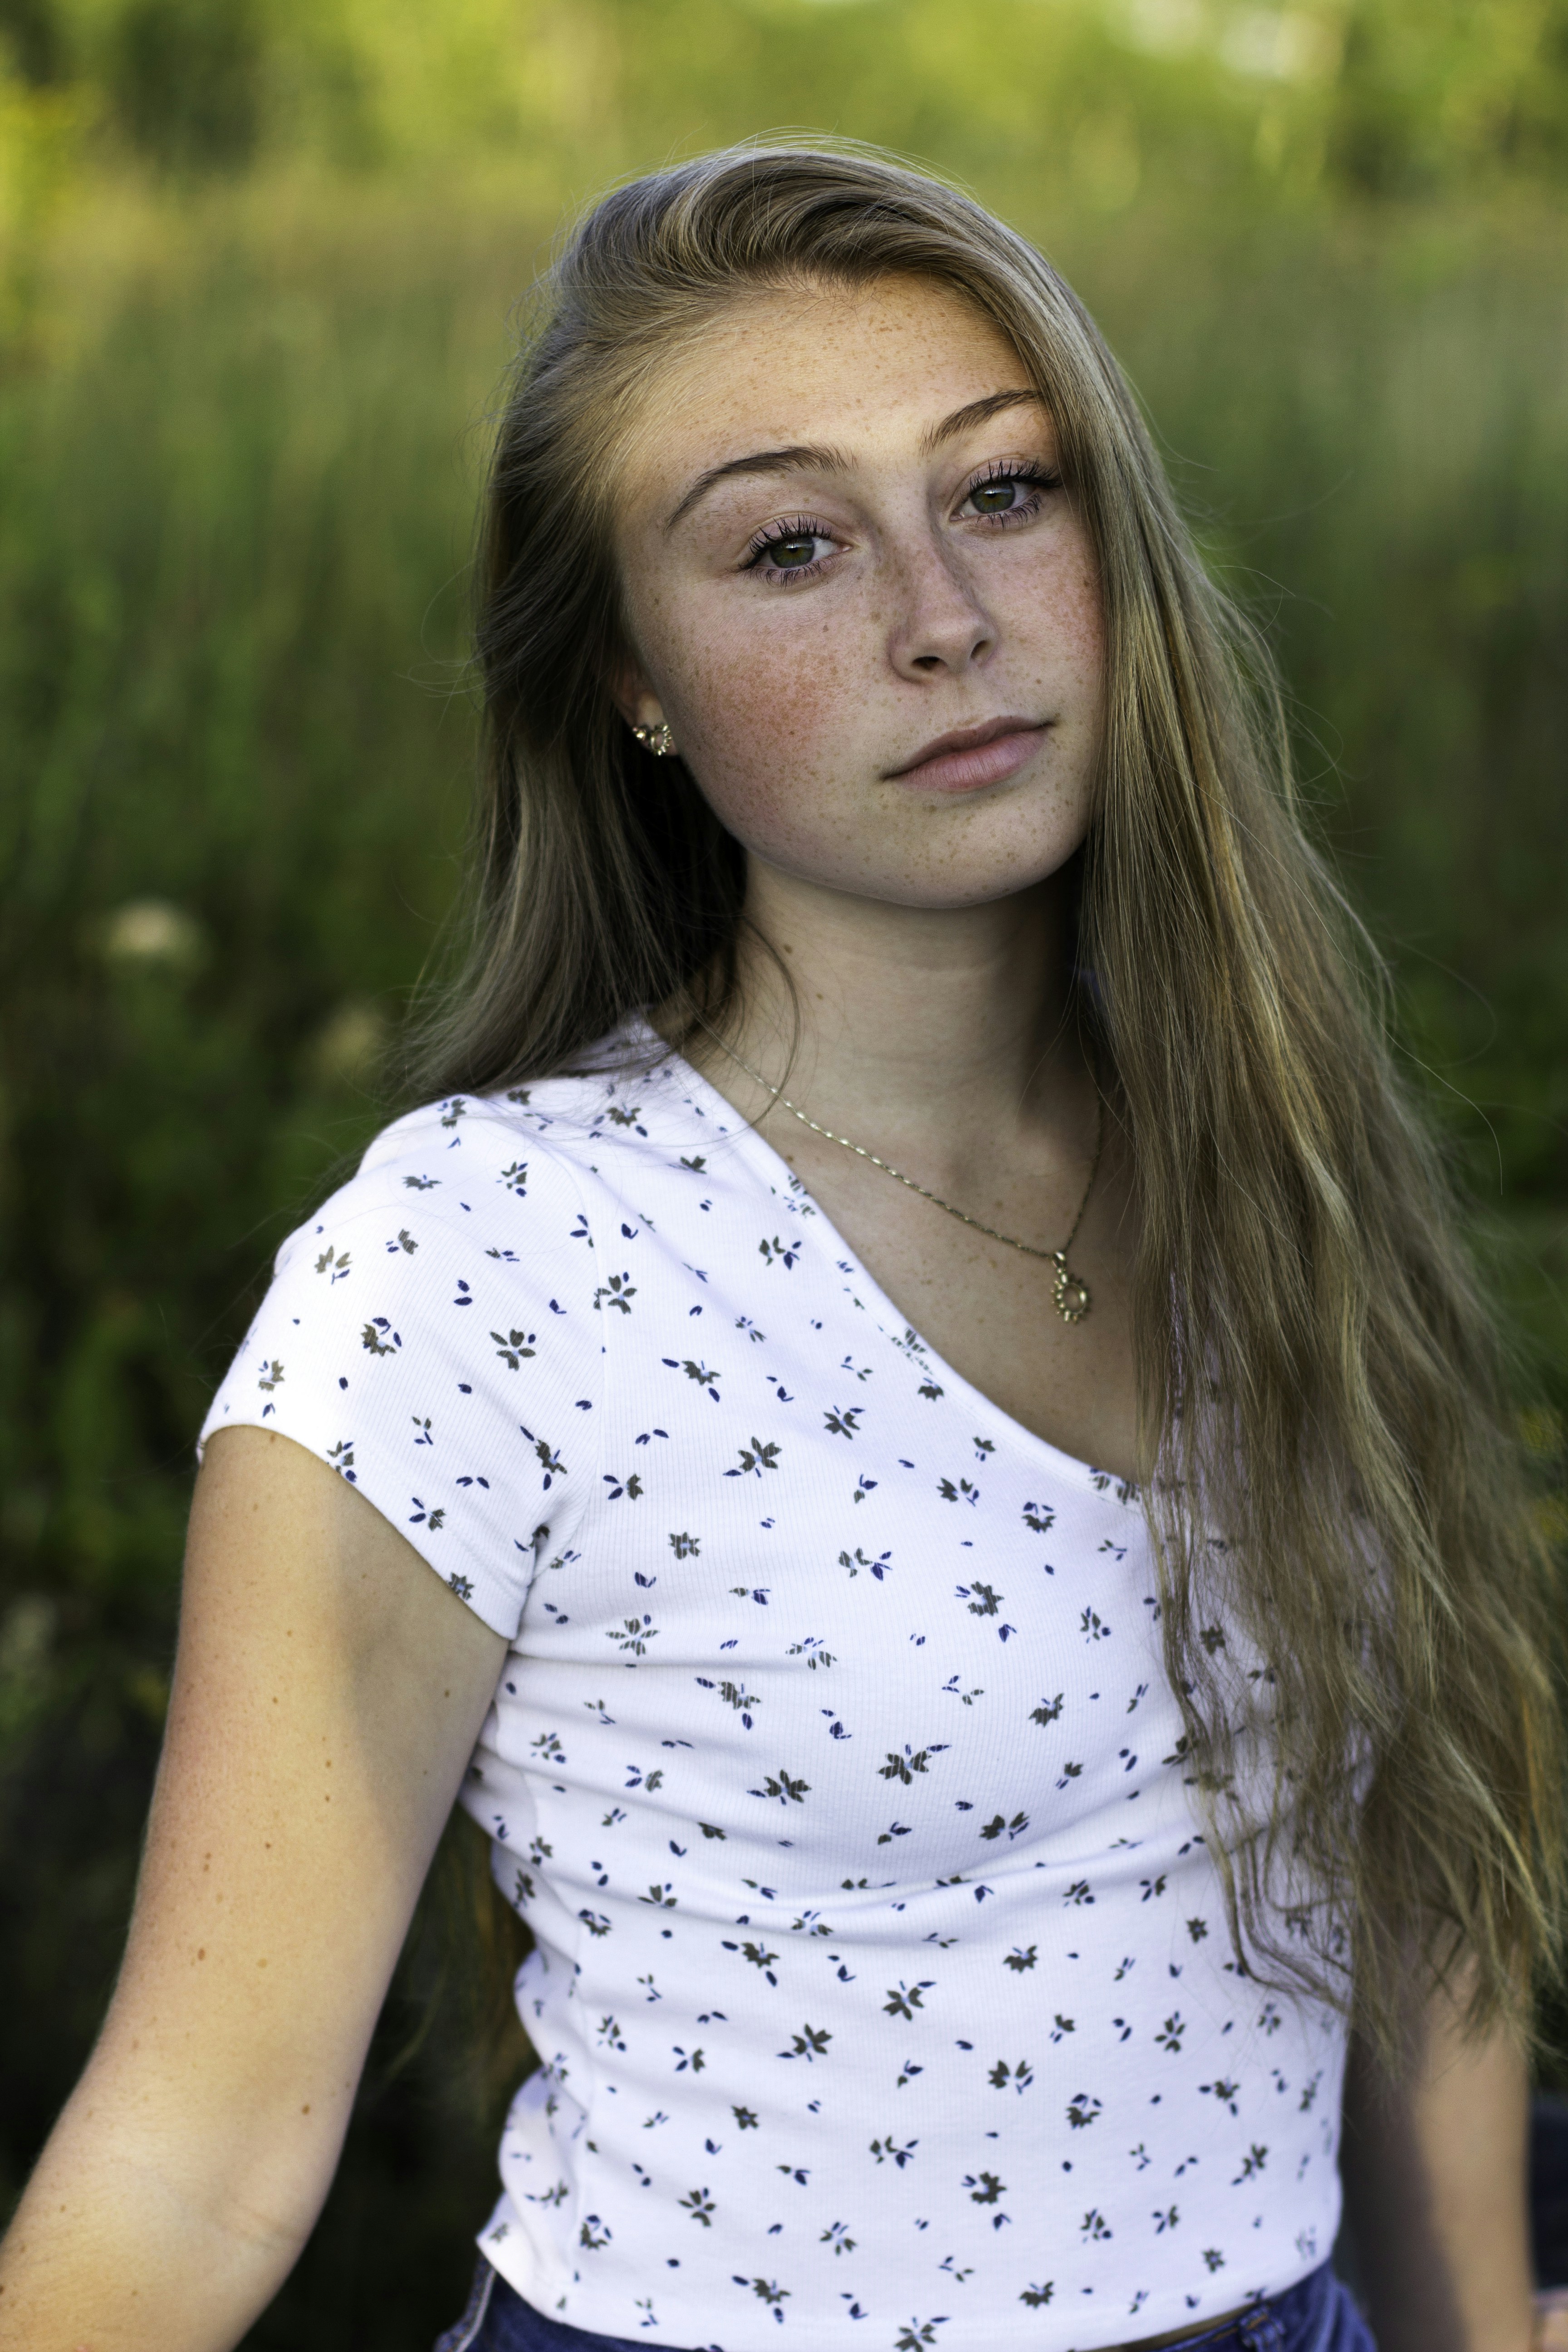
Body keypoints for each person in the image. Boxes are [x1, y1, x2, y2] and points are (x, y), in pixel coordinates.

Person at [0, 142, 1563, 2352]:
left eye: (1005, 490)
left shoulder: (1274, 1152)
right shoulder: (477, 1270)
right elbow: (196, 2159)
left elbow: (1420, 1895)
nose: (944, 616)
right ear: (629, 679)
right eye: (792, 545)